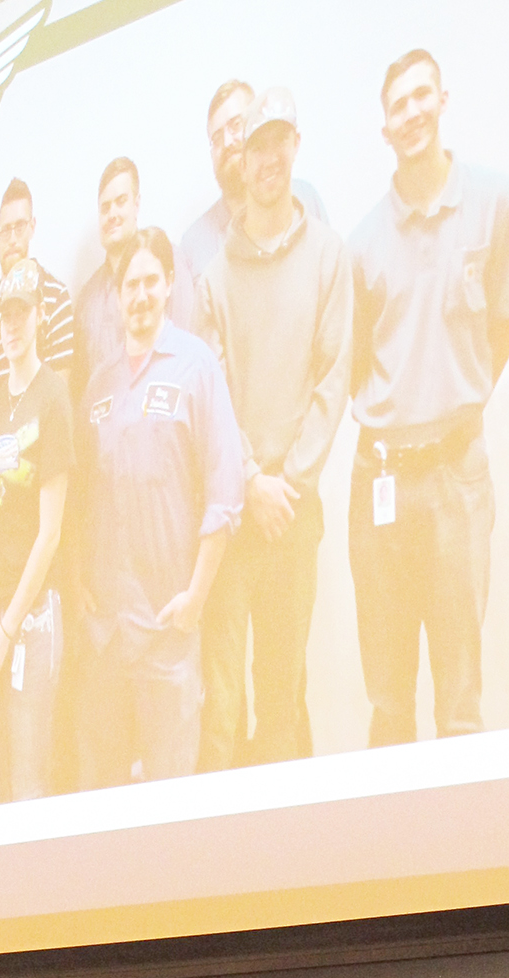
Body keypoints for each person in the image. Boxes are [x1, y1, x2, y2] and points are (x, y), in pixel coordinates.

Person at [348, 49, 509, 747]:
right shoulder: (362, 244)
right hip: (380, 481)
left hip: (456, 480)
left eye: (422, 97)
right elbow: (353, 362)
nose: (412, 112)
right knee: (388, 705)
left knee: (460, 705)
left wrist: (450, 415)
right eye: (398, 105)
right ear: (384, 128)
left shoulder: (494, 204)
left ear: (443, 100)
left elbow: (502, 331)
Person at [195, 88, 352, 768]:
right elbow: (214, 402)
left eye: (279, 143)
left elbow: (333, 377)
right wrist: (252, 482)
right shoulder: (211, 277)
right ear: (241, 158)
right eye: (257, 145)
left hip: (295, 514)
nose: (269, 158)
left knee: (283, 697)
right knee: (224, 704)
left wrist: (287, 484)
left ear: (294, 149)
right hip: (237, 519)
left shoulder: (328, 255)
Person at [76, 227, 244, 787]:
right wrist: (79, 585)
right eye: (131, 284)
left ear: (170, 285)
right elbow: (81, 499)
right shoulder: (98, 388)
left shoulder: (197, 367)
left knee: (171, 806)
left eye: (151, 281)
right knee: (105, 805)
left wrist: (195, 598)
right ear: (117, 295)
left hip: (169, 630)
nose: (141, 295)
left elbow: (225, 495)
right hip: (107, 637)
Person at [0, 260, 74, 806]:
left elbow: (51, 532)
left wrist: (9, 629)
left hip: (29, 621)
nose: (11, 327)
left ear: (40, 316)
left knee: (29, 784)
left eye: (20, 314)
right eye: (4, 317)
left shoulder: (54, 397)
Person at [72, 159, 195, 405]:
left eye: (120, 202)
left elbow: (188, 352)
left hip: (168, 418)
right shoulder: (88, 299)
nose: (112, 214)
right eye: (105, 208)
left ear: (137, 204)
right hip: (109, 434)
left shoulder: (169, 263)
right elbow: (83, 390)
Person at [182, 79, 328, 285]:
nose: (227, 142)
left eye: (235, 125)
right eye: (216, 138)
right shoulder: (194, 243)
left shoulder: (306, 199)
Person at [0, 179, 75, 430]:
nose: (12, 238)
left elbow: (60, 401)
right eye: (6, 230)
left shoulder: (56, 299)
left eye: (20, 227)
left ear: (32, 227)